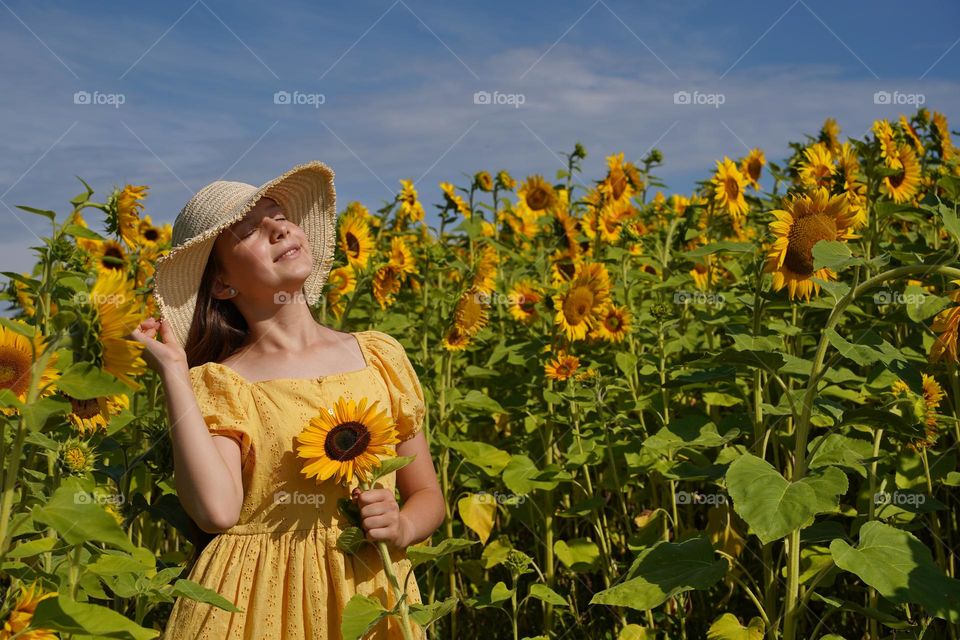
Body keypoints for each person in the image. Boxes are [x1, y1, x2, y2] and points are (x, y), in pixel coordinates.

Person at [130, 161, 445, 639]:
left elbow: (427, 495)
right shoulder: (223, 383)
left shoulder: (378, 356)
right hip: (255, 603)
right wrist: (175, 374)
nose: (277, 228)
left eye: (278, 214)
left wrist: (400, 527)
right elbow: (217, 512)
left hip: (368, 593)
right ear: (221, 284)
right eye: (249, 231)